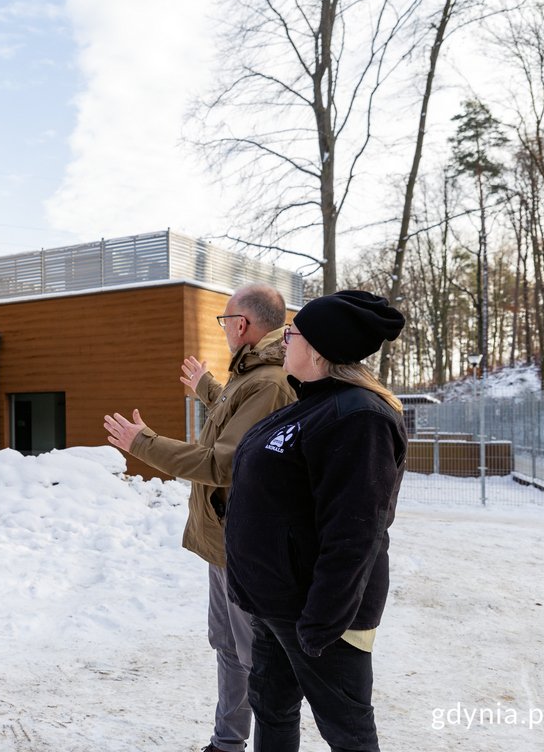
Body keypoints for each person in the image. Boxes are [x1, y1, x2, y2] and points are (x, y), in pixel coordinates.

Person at [103, 284, 295, 752]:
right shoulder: (253, 373)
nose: (225, 327)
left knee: (253, 656)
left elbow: (221, 461)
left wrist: (142, 443)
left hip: (243, 543)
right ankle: (227, 743)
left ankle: (251, 743)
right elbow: (235, 418)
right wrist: (207, 388)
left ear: (243, 325)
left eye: (226, 320)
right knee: (228, 646)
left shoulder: (268, 381)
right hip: (223, 538)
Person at [223, 290, 407, 752]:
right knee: (272, 708)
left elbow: (356, 531)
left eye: (293, 333)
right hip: (275, 605)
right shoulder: (308, 404)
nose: (284, 340)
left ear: (320, 348)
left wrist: (322, 622)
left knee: (347, 731)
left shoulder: (359, 418)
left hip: (320, 616)